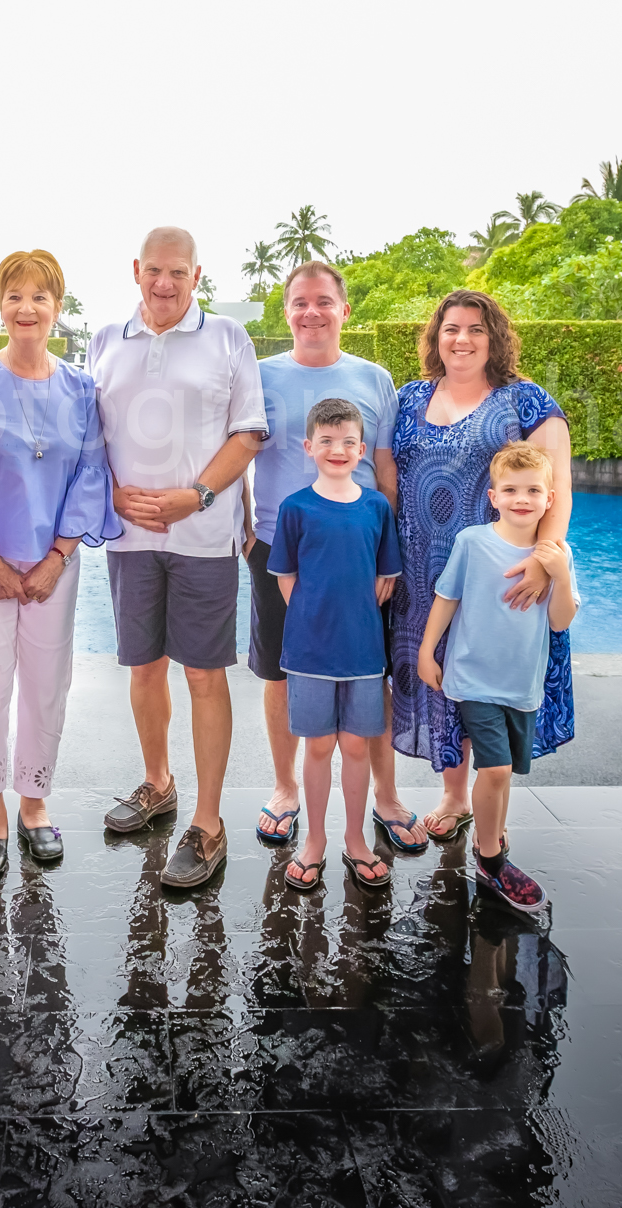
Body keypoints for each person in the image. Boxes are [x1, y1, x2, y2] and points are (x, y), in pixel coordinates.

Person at [89, 227, 266, 889]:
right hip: (131, 540)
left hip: (202, 539)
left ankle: (209, 822)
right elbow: (90, 438)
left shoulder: (227, 338)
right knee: (142, 670)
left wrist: (191, 497)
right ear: (137, 270)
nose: (165, 283)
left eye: (178, 273)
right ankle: (158, 784)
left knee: (202, 677)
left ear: (197, 275)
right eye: (154, 271)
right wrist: (110, 493)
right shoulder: (105, 341)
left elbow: (248, 434)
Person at [0, 250, 121, 877]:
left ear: (58, 308)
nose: (26, 308)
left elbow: (91, 474)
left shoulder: (80, 389)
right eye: (14, 295)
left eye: (39, 297)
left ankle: (35, 804)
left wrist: (56, 557)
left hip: (54, 565)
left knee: (46, 686)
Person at [378, 289, 575, 845]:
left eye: (475, 329)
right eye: (450, 329)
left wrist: (544, 562)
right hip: (423, 573)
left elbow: (556, 491)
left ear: (495, 338)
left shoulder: (527, 402)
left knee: (485, 677)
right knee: (440, 671)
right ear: (435, 338)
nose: (461, 339)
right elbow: (386, 473)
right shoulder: (410, 396)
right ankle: (455, 795)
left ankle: (488, 810)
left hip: (501, 576)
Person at [242, 261, 412, 858]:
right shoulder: (258, 375)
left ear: (344, 310)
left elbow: (384, 466)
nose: (310, 312)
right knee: (279, 670)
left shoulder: (374, 378)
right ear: (285, 311)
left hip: (359, 549)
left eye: (322, 301)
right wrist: (244, 526)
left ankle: (385, 797)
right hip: (277, 546)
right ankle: (287, 788)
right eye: (298, 302)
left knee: (372, 673)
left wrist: (385, 550)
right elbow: (237, 453)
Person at [415, 440, 580, 914]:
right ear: (493, 496)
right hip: (475, 679)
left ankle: (492, 831)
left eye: (533, 490)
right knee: (498, 769)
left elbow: (560, 621)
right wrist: (428, 651)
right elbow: (446, 597)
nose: (521, 498)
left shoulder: (556, 555)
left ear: (549, 499)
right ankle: (491, 860)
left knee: (504, 775)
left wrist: (559, 576)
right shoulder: (473, 542)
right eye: (510, 489)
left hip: (522, 686)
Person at [266, 398, 402, 894]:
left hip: (364, 654)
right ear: (309, 447)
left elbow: (385, 578)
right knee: (319, 746)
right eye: (326, 441)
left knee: (356, 748)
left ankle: (356, 838)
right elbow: (288, 579)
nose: (338, 449)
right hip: (309, 654)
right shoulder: (295, 508)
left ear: (362, 449)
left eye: (348, 442)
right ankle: (316, 840)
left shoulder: (376, 507)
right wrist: (312, 625)